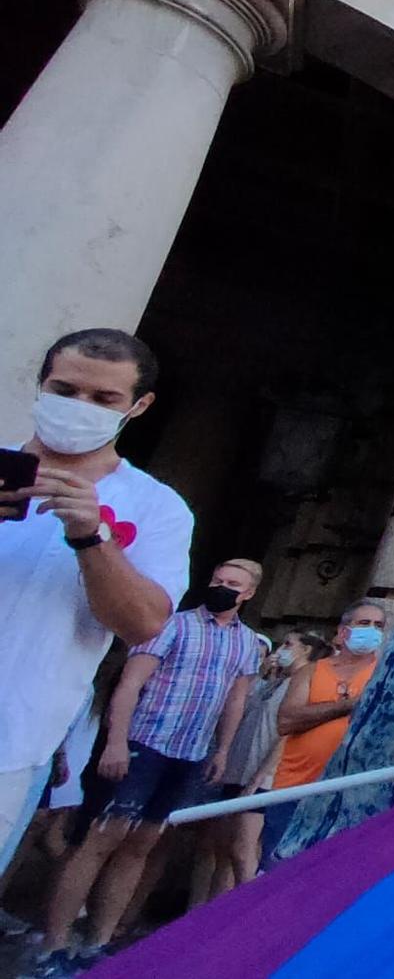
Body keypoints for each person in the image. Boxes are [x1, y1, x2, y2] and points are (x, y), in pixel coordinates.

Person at [0, 330, 192, 878]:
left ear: (138, 405)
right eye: (64, 390)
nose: (77, 408)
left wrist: (91, 536)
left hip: (14, 741)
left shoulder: (159, 508)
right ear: (41, 385)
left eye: (103, 399)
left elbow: (143, 624)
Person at [32, 560, 262, 974]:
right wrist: (117, 741)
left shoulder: (246, 643)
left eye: (232, 585)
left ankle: (99, 939)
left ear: (247, 594)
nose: (222, 588)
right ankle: (54, 942)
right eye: (217, 580)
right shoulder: (172, 625)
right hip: (145, 741)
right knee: (101, 837)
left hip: (189, 750)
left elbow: (236, 699)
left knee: (143, 843)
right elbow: (131, 684)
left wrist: (223, 749)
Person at [194, 628, 329, 903]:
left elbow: (286, 736)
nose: (282, 649)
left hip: (264, 778)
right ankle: (212, 914)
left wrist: (258, 778)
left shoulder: (303, 683)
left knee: (243, 851)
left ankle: (251, 910)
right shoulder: (275, 681)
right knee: (223, 848)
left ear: (305, 651)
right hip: (239, 771)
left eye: (289, 644)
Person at [262, 603, 385, 866]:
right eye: (364, 624)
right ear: (343, 632)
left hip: (350, 796)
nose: (373, 631)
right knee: (279, 874)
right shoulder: (312, 671)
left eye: (379, 626)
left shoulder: (385, 674)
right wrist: (349, 705)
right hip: (295, 788)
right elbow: (286, 720)